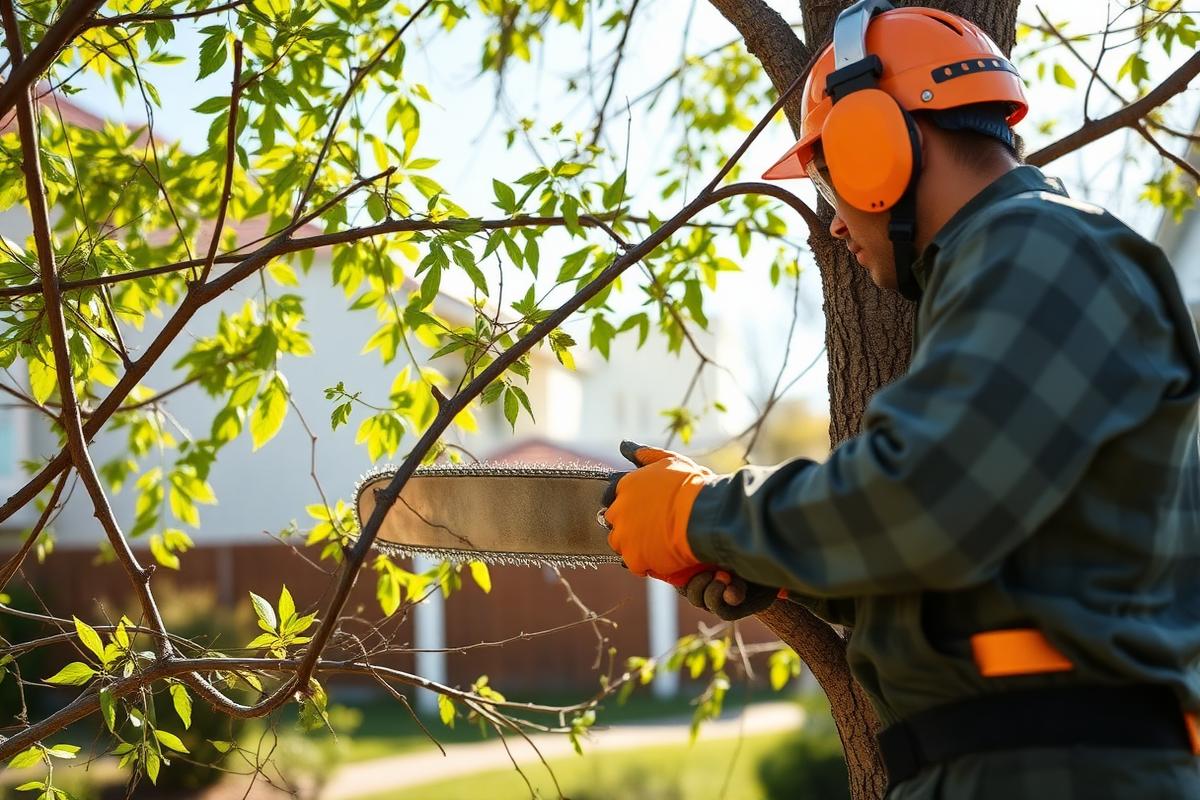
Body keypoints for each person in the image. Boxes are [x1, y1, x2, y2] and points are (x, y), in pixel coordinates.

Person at [602, 2, 1200, 797]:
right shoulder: (1014, 268)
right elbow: (975, 554)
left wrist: (702, 516)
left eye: (824, 172)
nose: (833, 220)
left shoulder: (1037, 248)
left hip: (1053, 766)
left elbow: (927, 503)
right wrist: (778, 561)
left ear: (871, 143)